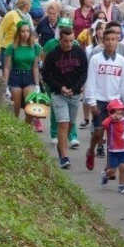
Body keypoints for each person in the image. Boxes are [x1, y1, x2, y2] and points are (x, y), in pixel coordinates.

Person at [84, 28, 124, 171]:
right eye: (108, 39)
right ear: (103, 41)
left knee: (113, 136)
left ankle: (109, 166)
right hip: (99, 100)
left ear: (117, 41)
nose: (110, 42)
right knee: (98, 132)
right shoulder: (95, 59)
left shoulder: (122, 61)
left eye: (113, 39)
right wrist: (91, 102)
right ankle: (91, 150)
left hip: (115, 102)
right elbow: (91, 81)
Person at [42, 26, 88, 169]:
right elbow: (46, 74)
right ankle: (64, 156)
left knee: (70, 123)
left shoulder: (79, 52)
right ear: (60, 40)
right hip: (58, 94)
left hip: (74, 94)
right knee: (63, 123)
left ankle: (62, 145)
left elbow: (84, 73)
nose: (68, 44)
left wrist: (74, 89)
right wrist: (59, 87)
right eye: (65, 41)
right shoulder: (53, 55)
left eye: (71, 41)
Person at [2, 21, 42, 127]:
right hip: (15, 76)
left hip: (29, 76)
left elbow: (35, 67)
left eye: (28, 31)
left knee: (30, 106)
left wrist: (37, 84)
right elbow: (7, 67)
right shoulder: (12, 47)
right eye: (23, 31)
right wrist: (5, 85)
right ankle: (16, 129)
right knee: (15, 108)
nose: (25, 34)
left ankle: (26, 126)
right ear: (18, 33)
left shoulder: (35, 47)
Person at [101, 99, 124, 194]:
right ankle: (105, 175)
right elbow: (103, 124)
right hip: (113, 150)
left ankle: (122, 185)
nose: (119, 115)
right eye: (117, 112)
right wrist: (110, 118)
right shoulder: (110, 122)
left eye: (121, 112)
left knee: (122, 167)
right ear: (112, 112)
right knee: (112, 170)